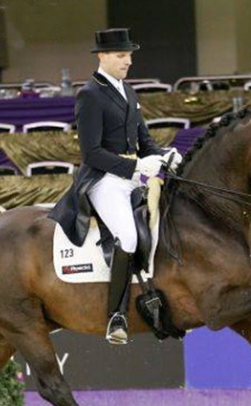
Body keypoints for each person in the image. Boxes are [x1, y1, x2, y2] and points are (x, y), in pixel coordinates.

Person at [49, 28, 182, 344]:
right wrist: (136, 165)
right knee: (128, 236)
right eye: (122, 55)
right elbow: (91, 153)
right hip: (103, 180)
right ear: (103, 56)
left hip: (132, 176)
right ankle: (117, 316)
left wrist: (166, 155)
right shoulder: (90, 95)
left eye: (129, 55)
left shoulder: (129, 92)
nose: (129, 61)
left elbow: (145, 141)